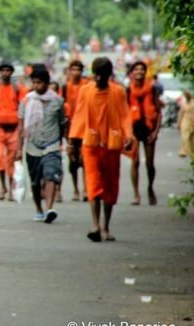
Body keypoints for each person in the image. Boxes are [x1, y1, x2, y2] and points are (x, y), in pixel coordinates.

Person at [69, 57, 133, 242]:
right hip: (90, 144)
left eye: (101, 75)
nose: (97, 79)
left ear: (108, 75)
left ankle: (106, 227)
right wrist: (72, 142)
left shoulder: (118, 92)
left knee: (110, 185)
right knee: (93, 183)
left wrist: (128, 135)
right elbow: (79, 115)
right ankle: (95, 225)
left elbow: (124, 115)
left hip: (112, 145)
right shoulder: (85, 91)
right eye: (95, 75)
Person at [17, 65, 66, 223]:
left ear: (47, 83)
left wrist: (65, 141)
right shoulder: (26, 101)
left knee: (51, 174)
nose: (37, 86)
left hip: (51, 144)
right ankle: (39, 209)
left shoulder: (58, 101)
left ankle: (49, 208)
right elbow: (21, 126)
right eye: (34, 82)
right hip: (32, 146)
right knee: (35, 181)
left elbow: (62, 122)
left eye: (40, 82)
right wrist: (19, 148)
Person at [0, 62, 27, 201]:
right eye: (3, 70)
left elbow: (23, 107)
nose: (5, 73)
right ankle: (2, 187)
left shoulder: (18, 88)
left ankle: (10, 190)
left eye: (8, 70)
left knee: (11, 160)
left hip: (14, 129)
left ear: (11, 72)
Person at [127, 61, 162, 205]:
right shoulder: (128, 90)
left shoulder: (152, 89)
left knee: (149, 164)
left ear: (145, 72)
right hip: (134, 129)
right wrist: (127, 133)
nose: (139, 71)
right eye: (136, 69)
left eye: (142, 69)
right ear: (132, 73)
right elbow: (124, 113)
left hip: (149, 128)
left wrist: (155, 132)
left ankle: (150, 188)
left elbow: (159, 112)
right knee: (134, 162)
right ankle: (136, 194)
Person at [61, 60, 88, 202]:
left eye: (78, 69)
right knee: (73, 159)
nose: (75, 72)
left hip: (85, 126)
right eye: (73, 69)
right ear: (69, 71)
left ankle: (86, 189)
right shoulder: (66, 87)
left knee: (85, 159)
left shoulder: (87, 85)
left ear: (81, 71)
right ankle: (76, 189)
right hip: (71, 127)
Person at [179, 91, 194, 158]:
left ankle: (191, 151)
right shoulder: (184, 104)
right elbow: (181, 114)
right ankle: (184, 150)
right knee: (185, 137)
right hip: (185, 121)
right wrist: (179, 123)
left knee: (191, 138)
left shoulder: (193, 103)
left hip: (192, 121)